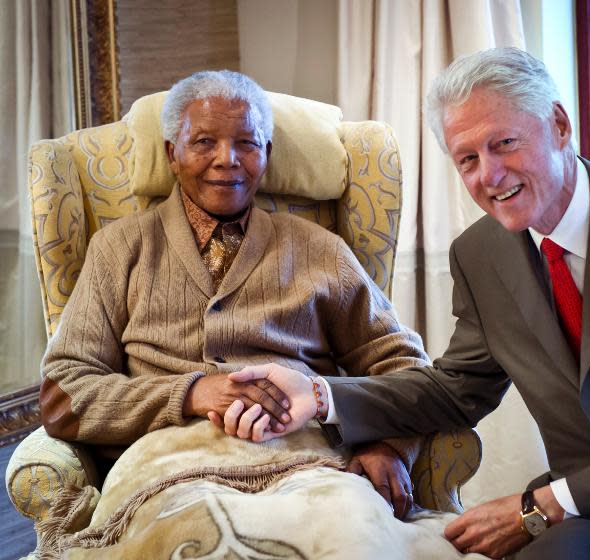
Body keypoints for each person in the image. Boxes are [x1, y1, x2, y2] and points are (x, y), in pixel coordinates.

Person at [226, 48, 590, 559]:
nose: (488, 175)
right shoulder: (480, 254)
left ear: (559, 125)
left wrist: (544, 505)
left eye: (504, 143)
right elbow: (457, 389)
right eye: (467, 159)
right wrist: (322, 395)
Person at [37, 70, 479, 558]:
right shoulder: (119, 249)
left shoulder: (319, 250)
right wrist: (190, 393)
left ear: (266, 154)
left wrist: (388, 446)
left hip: (309, 464)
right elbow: (64, 394)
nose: (226, 159)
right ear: (171, 153)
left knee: (351, 540)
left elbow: (404, 368)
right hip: (167, 469)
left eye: (246, 143)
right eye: (204, 141)